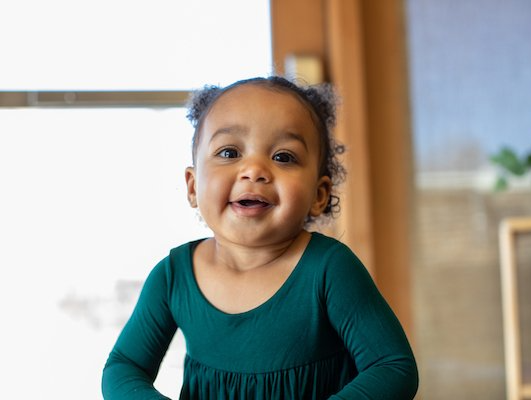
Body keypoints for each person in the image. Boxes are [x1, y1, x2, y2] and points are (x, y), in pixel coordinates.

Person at [102, 76, 418, 399]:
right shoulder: (173, 278)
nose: (254, 169)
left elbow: (393, 367)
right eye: (229, 152)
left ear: (319, 195)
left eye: (283, 157)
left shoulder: (329, 270)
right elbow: (124, 368)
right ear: (193, 186)